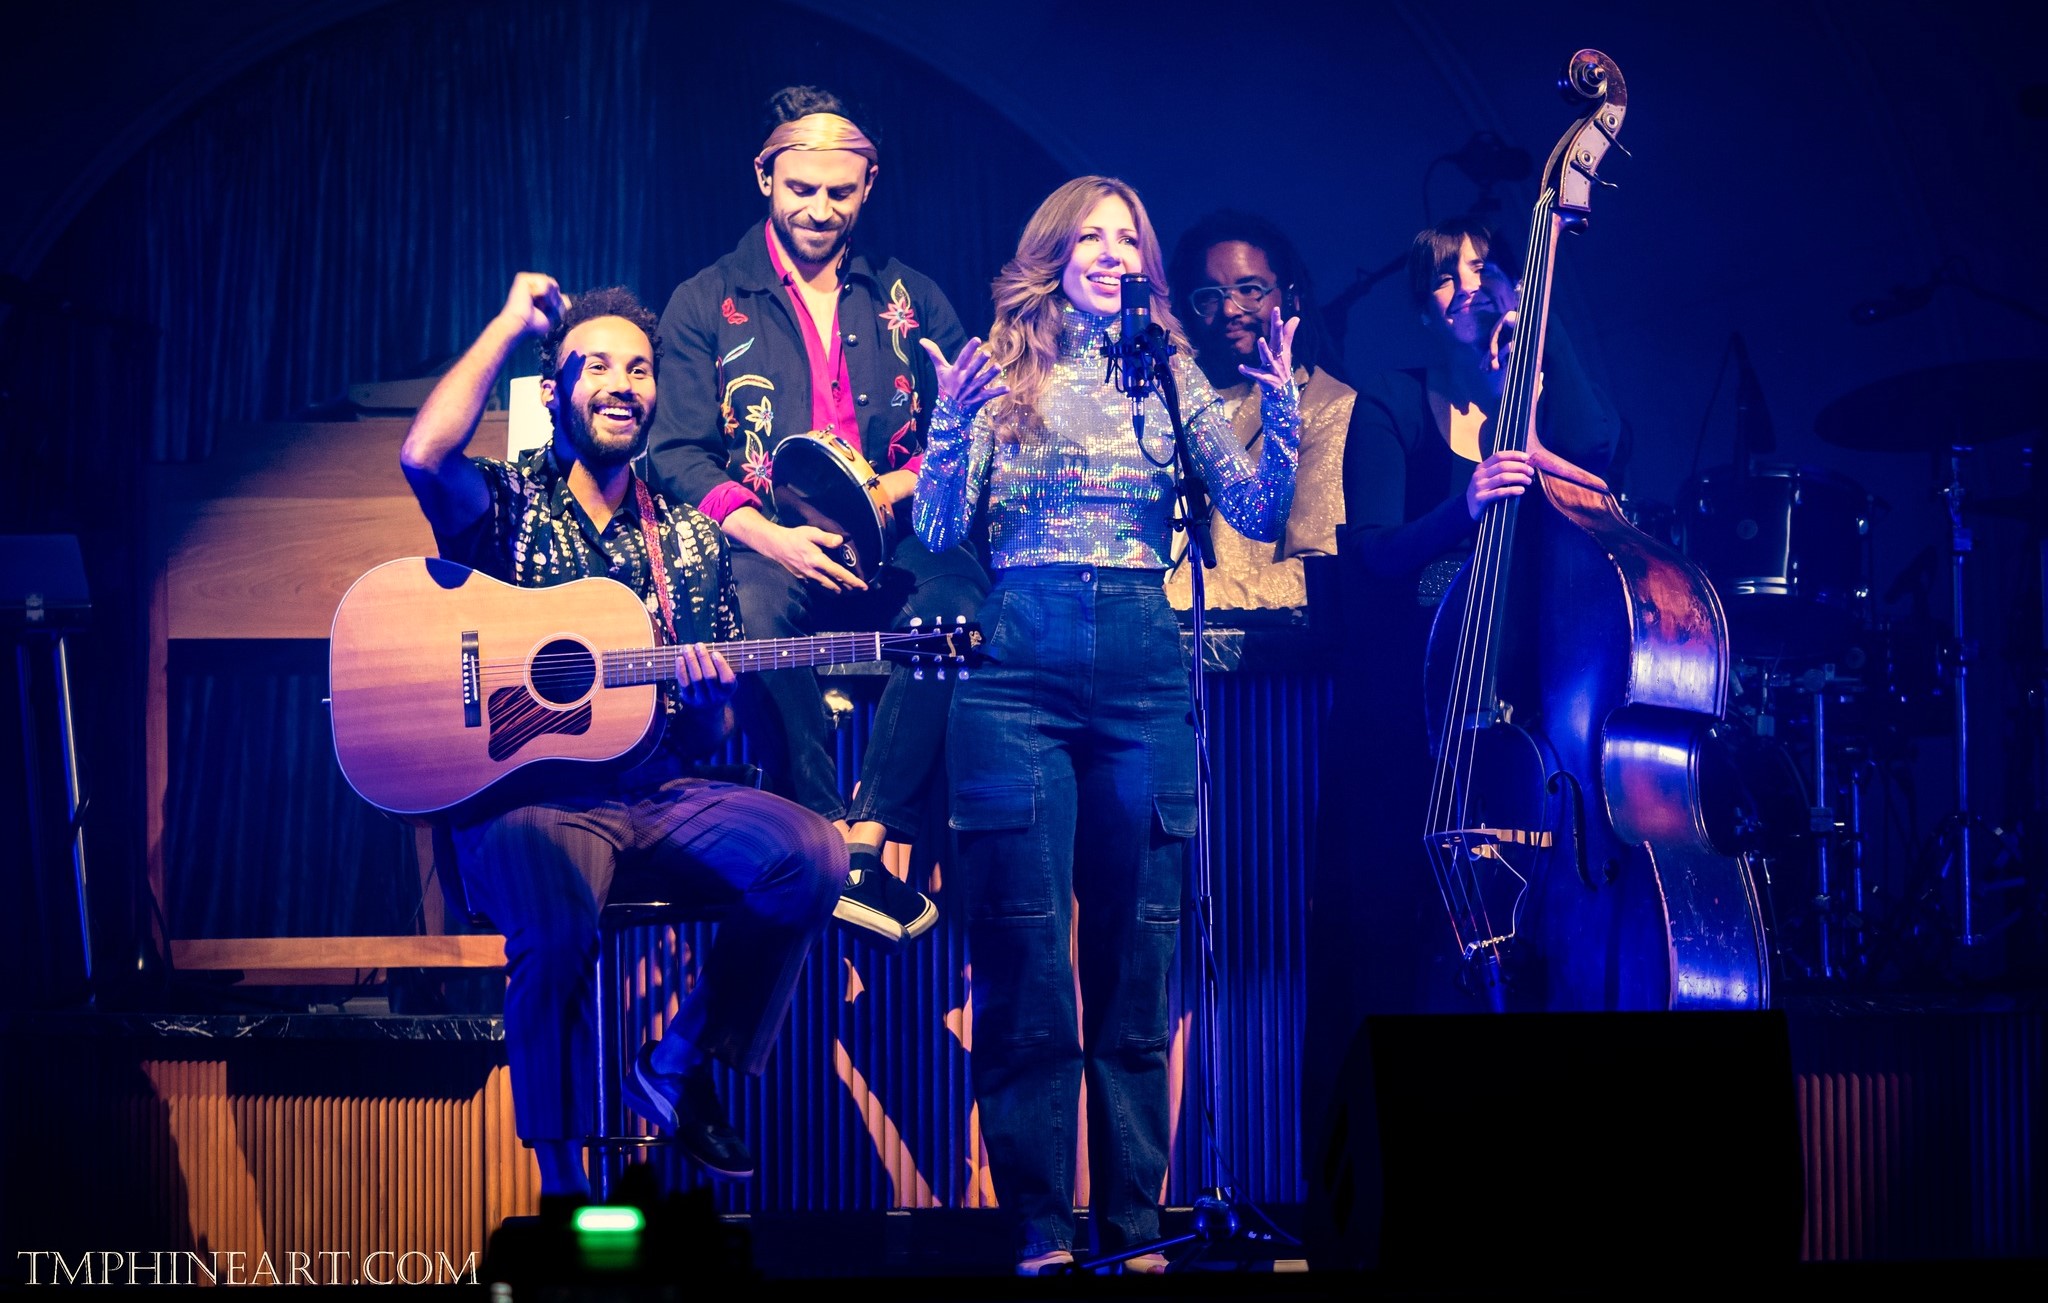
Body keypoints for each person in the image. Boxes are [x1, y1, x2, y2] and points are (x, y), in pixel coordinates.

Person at [914, 176, 1300, 1276]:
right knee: (1026, 960)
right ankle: (1041, 1224)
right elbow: (941, 529)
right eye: (1089, 237)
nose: (1111, 253)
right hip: (1015, 670)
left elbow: (1257, 513)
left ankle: (1131, 1226)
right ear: (1052, 253)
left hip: (1140, 660)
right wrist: (948, 425)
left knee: (1139, 960)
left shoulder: (1167, 368)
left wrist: (1273, 408)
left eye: (1125, 238)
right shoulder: (1001, 364)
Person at [399, 274, 847, 1197]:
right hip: (527, 801)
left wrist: (716, 692)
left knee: (814, 851)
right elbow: (421, 451)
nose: (621, 382)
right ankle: (563, 1185)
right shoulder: (504, 505)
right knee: (557, 918)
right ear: (556, 389)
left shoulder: (685, 535)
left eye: (638, 368)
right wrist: (509, 320)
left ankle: (678, 1061)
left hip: (652, 793)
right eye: (594, 363)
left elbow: (710, 726)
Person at [1301, 217, 1621, 1257]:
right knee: (1389, 942)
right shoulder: (1391, 399)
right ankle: (1373, 1197)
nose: (1462, 290)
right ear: (1419, 300)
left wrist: (1538, 332)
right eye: (1443, 277)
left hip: (1521, 713)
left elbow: (1601, 447)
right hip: (1411, 715)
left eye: (1482, 272)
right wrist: (1468, 503)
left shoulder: (1532, 390)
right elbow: (1375, 553)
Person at [648, 85, 986, 949]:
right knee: (751, 611)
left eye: (841, 191)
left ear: (868, 185)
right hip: (770, 542)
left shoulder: (912, 297)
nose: (820, 209)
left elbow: (968, 425)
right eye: (801, 188)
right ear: (764, 176)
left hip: (895, 537)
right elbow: (678, 451)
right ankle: (822, 831)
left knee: (961, 604)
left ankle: (868, 840)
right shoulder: (706, 300)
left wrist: (894, 490)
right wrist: (767, 534)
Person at [1163, 210, 1355, 620]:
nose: (1230, 309)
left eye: (1250, 290)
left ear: (1290, 296)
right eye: (1209, 295)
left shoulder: (1324, 405)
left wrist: (1173, 599)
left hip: (1248, 661)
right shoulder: (1162, 398)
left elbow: (1316, 571)